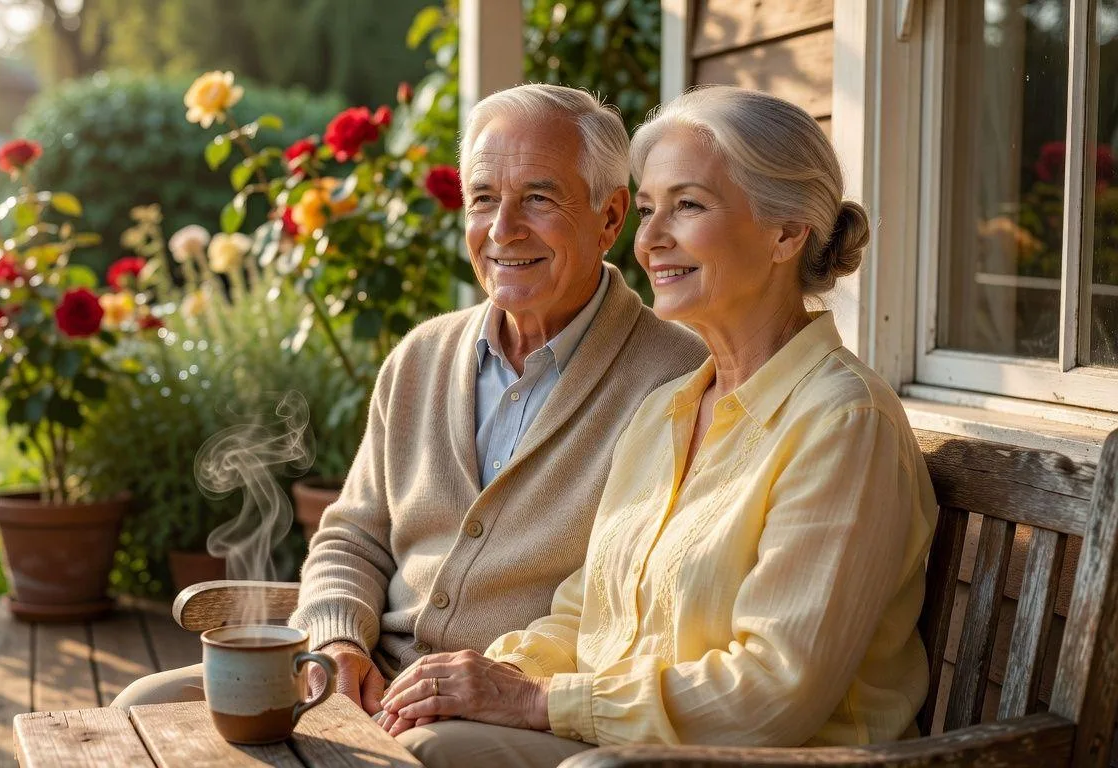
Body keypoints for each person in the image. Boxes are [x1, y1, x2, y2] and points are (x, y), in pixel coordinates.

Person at [377, 85, 939, 767]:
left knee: (425, 756)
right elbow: (584, 613)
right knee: (402, 739)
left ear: (786, 232)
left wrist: (536, 702)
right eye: (648, 209)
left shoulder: (845, 423)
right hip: (622, 748)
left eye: (689, 205)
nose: (650, 239)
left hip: (777, 758)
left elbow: (773, 693)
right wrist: (486, 677)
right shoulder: (668, 409)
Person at [110, 84, 706, 710]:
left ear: (610, 216)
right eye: (482, 199)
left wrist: (512, 689)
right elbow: (353, 536)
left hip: (510, 707)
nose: (501, 229)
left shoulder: (676, 376)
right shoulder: (421, 357)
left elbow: (638, 595)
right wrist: (339, 642)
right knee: (142, 709)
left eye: (538, 197)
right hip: (371, 675)